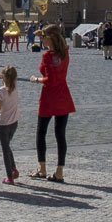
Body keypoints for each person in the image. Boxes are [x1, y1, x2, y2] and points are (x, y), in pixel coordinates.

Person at [29, 24, 75, 182]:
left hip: (49, 98)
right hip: (63, 97)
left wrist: (36, 80)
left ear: (50, 38)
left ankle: (42, 169)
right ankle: (59, 171)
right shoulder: (65, 53)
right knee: (60, 135)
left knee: (41, 133)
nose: (42, 40)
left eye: (43, 37)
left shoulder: (48, 56)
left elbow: (50, 80)